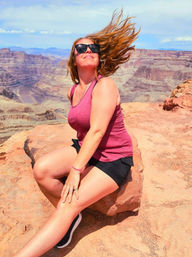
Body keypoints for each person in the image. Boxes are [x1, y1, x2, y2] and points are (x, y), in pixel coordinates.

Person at [13, 10, 139, 257]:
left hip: (112, 158)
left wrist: (75, 171)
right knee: (42, 170)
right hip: (86, 150)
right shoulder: (73, 91)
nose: (88, 51)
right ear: (74, 58)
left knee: (67, 203)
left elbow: (98, 130)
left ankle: (63, 217)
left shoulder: (105, 85)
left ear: (99, 56)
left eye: (93, 48)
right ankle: (71, 215)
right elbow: (84, 133)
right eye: (81, 48)